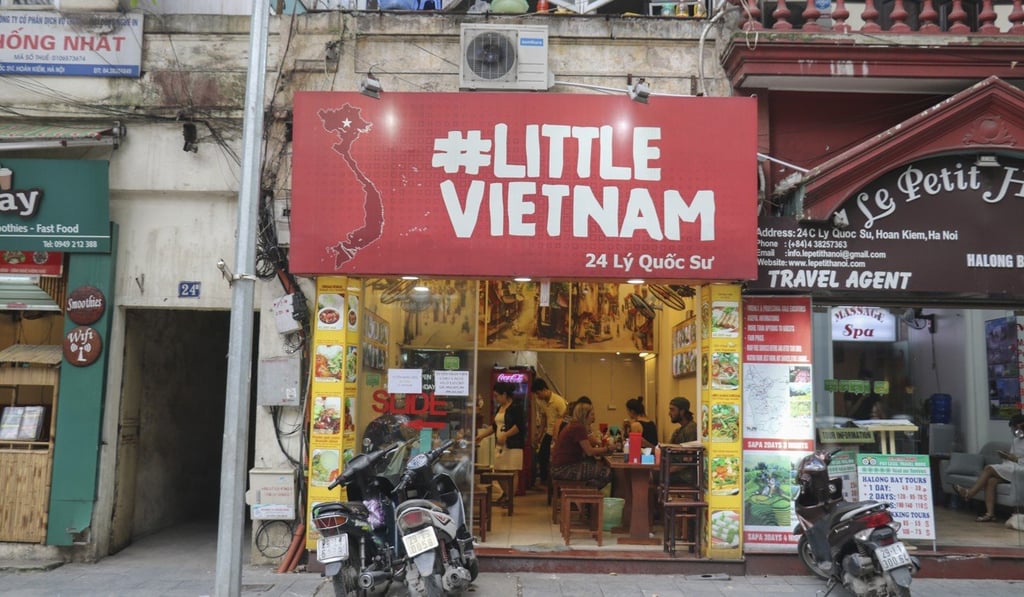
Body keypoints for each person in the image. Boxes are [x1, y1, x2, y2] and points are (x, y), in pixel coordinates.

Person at [955, 413, 1024, 522]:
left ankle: (969, 493)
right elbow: (1013, 456)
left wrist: (1014, 459)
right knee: (991, 481)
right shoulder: (1016, 441)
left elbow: (1017, 459)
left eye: (1016, 428)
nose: (1014, 431)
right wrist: (1006, 456)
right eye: (1013, 429)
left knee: (989, 468)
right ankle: (990, 514)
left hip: (1020, 470)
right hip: (1011, 467)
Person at [476, 381, 525, 500]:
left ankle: (510, 498)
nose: (496, 398)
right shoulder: (500, 408)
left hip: (513, 445)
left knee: (512, 471)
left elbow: (519, 426)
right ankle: (507, 494)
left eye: (497, 396)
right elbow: (495, 426)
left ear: (504, 394)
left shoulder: (516, 407)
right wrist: (481, 436)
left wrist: (506, 435)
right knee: (498, 469)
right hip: (500, 445)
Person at [550, 402, 613, 489]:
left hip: (558, 467)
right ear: (584, 415)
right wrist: (608, 449)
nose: (593, 418)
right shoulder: (578, 427)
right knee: (606, 472)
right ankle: (588, 493)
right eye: (591, 415)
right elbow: (589, 451)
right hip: (564, 469)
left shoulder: (573, 425)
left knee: (596, 466)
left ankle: (587, 492)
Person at [531, 378, 567, 487]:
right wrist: (539, 435)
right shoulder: (541, 401)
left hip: (559, 434)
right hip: (549, 433)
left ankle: (553, 482)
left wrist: (557, 436)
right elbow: (543, 418)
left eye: (538, 393)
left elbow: (565, 419)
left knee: (555, 458)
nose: (537, 396)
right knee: (542, 456)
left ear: (544, 389)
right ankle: (544, 481)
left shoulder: (558, 401)